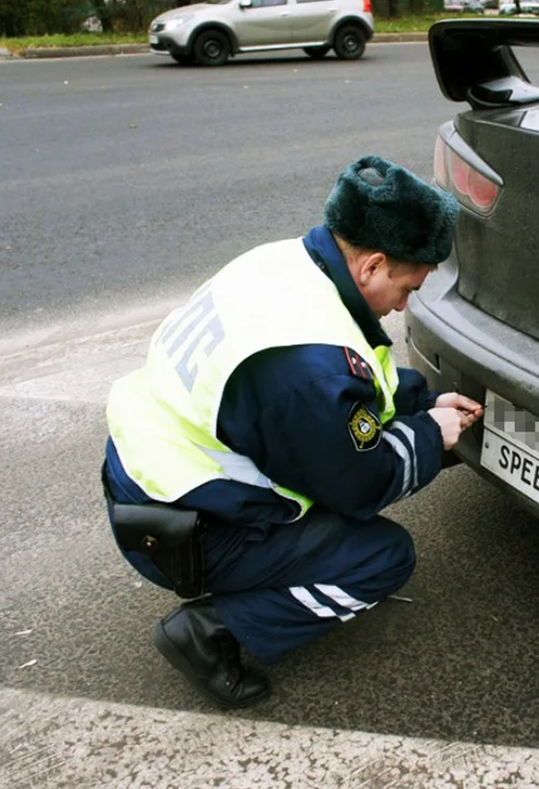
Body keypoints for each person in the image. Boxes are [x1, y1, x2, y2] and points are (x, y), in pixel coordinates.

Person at [101, 155, 483, 708]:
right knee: (382, 556)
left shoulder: (284, 264)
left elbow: (347, 384)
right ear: (373, 266)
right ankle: (211, 631)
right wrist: (430, 434)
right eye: (408, 287)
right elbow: (362, 484)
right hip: (186, 533)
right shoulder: (305, 370)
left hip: (146, 472)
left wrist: (422, 401)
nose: (405, 305)